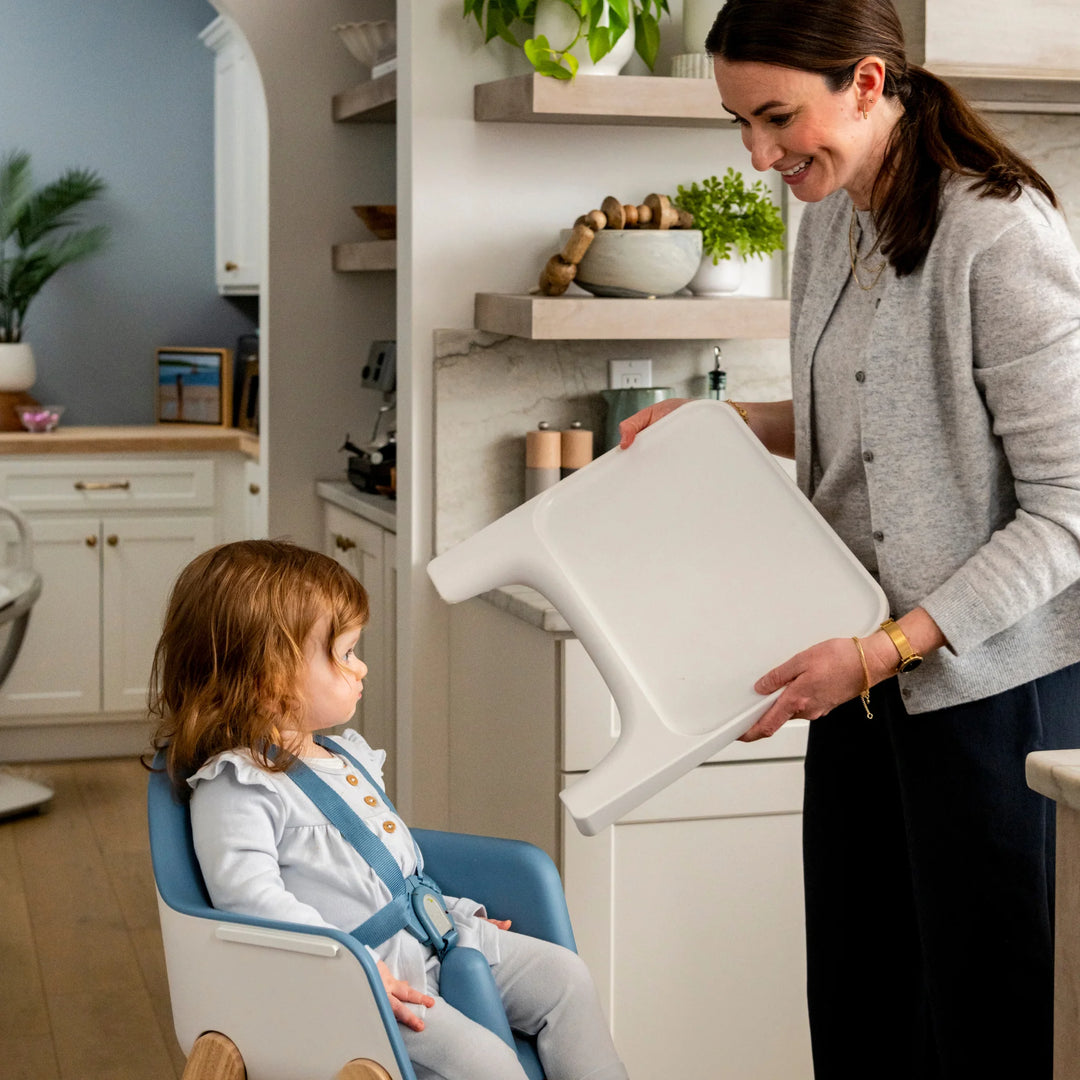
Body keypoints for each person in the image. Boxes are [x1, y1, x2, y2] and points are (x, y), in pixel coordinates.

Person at [621, 2, 1080, 1077]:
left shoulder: (1000, 235)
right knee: (862, 1005)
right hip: (865, 680)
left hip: (988, 696)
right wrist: (731, 422)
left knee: (988, 1023)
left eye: (776, 118)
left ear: (868, 84)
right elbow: (875, 423)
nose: (759, 153)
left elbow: (1068, 512)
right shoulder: (830, 218)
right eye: (740, 123)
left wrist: (883, 650)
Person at [150, 540, 627, 1080]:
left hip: (434, 938)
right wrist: (353, 969)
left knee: (565, 978)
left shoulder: (340, 753)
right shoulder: (238, 785)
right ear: (270, 679)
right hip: (360, 986)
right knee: (488, 1064)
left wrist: (448, 915)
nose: (362, 667)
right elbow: (250, 901)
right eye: (346, 653)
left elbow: (387, 871)